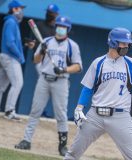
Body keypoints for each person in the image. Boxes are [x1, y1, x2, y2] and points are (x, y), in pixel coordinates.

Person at [64, 27, 132, 160]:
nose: (126, 46)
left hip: (121, 116)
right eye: (123, 43)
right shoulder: (98, 63)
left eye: (127, 43)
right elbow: (88, 88)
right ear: (113, 42)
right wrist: (79, 108)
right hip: (95, 115)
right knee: (73, 153)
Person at [14, 16, 82, 156]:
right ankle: (26, 140)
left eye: (63, 27)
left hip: (61, 81)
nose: (60, 28)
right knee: (35, 110)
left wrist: (64, 70)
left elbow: (78, 66)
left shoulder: (72, 45)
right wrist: (41, 51)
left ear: (67, 29)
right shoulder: (46, 41)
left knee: (61, 114)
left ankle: (62, 146)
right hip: (44, 80)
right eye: (59, 26)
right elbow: (35, 60)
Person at [0, 0, 26, 120]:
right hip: (10, 58)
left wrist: (24, 46)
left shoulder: (12, 22)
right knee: (18, 83)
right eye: (20, 8)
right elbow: (10, 43)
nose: (22, 10)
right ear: (14, 9)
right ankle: (9, 111)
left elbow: (12, 42)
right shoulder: (11, 22)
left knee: (0, 87)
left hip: (5, 57)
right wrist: (19, 56)